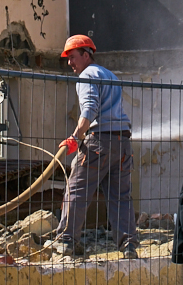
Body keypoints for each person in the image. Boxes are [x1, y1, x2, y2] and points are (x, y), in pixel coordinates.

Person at [50, 34, 138, 260]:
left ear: (86, 55)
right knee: (121, 196)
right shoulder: (110, 75)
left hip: (99, 142)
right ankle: (128, 246)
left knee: (77, 190)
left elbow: (89, 109)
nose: (70, 63)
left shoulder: (87, 75)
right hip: (123, 142)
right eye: (67, 58)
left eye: (72, 57)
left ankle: (66, 242)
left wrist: (74, 137)